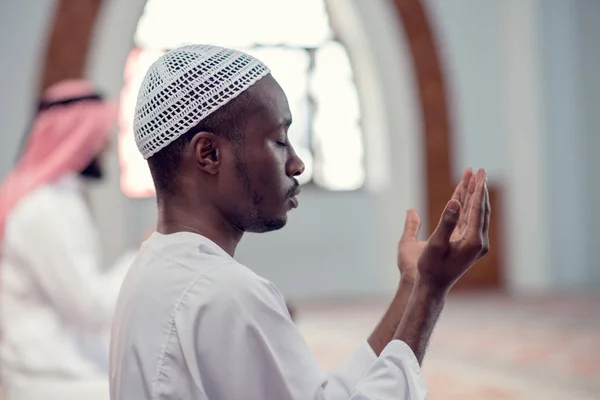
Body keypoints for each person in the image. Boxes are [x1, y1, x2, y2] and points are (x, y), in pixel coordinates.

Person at [109, 45, 490, 400]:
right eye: (278, 140)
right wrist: (432, 292)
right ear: (208, 154)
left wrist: (414, 284)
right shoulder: (225, 294)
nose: (297, 163)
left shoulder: (152, 268)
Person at [0, 80, 138, 400]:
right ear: (78, 135)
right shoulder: (43, 209)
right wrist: (143, 254)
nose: (105, 144)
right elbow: (89, 309)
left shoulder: (60, 199)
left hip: (70, 378)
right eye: (100, 132)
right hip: (51, 384)